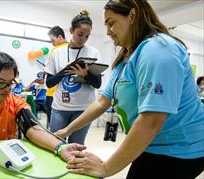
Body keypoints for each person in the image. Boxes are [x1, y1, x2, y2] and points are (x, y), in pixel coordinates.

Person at [55, 1, 204, 178]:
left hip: (180, 148)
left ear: (132, 16)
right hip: (153, 143)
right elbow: (103, 101)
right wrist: (67, 130)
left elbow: (151, 120)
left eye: (111, 23)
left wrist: (106, 168)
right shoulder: (128, 55)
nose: (108, 32)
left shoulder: (158, 50)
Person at [45, 10, 102, 145]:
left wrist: (86, 75)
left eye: (87, 36)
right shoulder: (57, 53)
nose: (83, 39)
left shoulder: (93, 52)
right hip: (59, 108)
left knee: (76, 147)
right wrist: (65, 71)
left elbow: (98, 83)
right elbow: (49, 83)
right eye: (80, 34)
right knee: (55, 145)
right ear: (71, 30)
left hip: (84, 110)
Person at [46, 26, 68, 129]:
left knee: (55, 132)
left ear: (60, 37)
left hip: (53, 93)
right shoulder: (73, 48)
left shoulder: (55, 50)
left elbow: (50, 73)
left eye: (52, 40)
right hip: (68, 93)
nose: (52, 43)